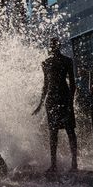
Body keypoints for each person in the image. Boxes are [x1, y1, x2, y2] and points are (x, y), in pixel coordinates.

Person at [33, 37, 77, 173]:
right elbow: (46, 85)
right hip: (56, 98)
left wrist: (70, 101)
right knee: (56, 132)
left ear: (57, 46)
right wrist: (40, 104)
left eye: (54, 45)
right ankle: (56, 164)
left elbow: (73, 84)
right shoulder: (47, 63)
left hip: (59, 97)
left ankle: (71, 163)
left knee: (67, 131)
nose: (53, 47)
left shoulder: (65, 61)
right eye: (53, 45)